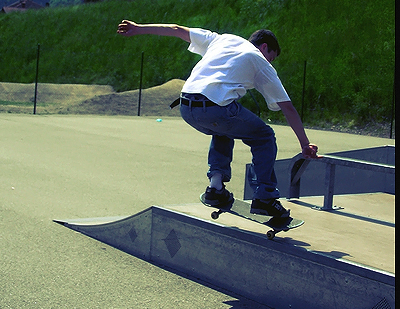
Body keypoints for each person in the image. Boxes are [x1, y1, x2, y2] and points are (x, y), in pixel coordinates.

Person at [117, 20, 320, 218]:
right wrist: (305, 144)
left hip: (186, 106)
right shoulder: (259, 59)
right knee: (264, 136)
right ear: (265, 47)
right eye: (271, 57)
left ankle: (215, 188)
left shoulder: (221, 39)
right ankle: (265, 197)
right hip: (214, 108)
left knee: (224, 127)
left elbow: (176, 29)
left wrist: (138, 29)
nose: (270, 63)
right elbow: (288, 108)